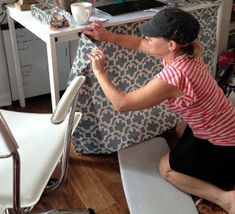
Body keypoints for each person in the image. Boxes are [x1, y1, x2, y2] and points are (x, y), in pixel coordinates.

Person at [83, 7, 235, 214]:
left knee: (165, 168)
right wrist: (107, 36)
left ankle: (226, 199)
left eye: (152, 35)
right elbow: (139, 43)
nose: (146, 37)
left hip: (223, 147)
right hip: (226, 127)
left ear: (171, 45)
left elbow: (122, 103)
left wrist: (99, 72)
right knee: (181, 127)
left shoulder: (175, 77)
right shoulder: (189, 52)